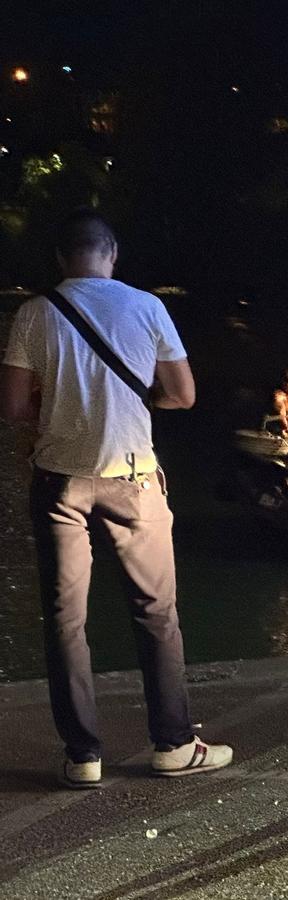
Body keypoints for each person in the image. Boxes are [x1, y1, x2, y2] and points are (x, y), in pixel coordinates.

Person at [0, 209, 233, 787]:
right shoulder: (147, 307)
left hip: (60, 483)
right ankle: (173, 745)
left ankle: (82, 755)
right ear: (112, 255)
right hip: (133, 478)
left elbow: (11, 407)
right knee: (156, 613)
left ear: (61, 258)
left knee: (64, 622)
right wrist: (130, 401)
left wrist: (60, 408)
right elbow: (183, 396)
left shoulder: (34, 313)